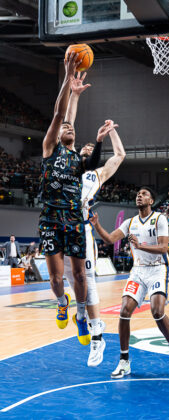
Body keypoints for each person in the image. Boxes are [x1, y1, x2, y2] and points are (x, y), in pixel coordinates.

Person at [39, 52, 115, 346]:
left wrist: (97, 141)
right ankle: (62, 302)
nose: (69, 127)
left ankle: (81, 315)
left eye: (72, 127)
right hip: (49, 219)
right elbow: (61, 116)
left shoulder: (77, 159)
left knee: (80, 277)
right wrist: (68, 82)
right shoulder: (50, 148)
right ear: (58, 136)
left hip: (72, 220)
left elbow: (95, 159)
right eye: (65, 129)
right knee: (57, 280)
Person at [63, 71, 126, 366]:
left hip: (80, 226)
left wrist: (111, 129)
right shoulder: (72, 161)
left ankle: (97, 336)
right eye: (84, 147)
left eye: (91, 148)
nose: (87, 148)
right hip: (57, 221)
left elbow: (120, 156)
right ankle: (76, 312)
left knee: (86, 279)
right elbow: (67, 127)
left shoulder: (98, 174)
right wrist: (74, 96)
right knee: (63, 280)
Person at [91, 187, 169, 378]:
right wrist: (97, 225)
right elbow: (110, 239)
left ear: (151, 200)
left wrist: (140, 245)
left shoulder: (160, 219)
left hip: (158, 269)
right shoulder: (130, 222)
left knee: (157, 312)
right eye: (138, 194)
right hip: (138, 271)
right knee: (124, 311)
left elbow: (163, 248)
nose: (139, 196)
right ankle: (124, 362)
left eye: (144, 194)